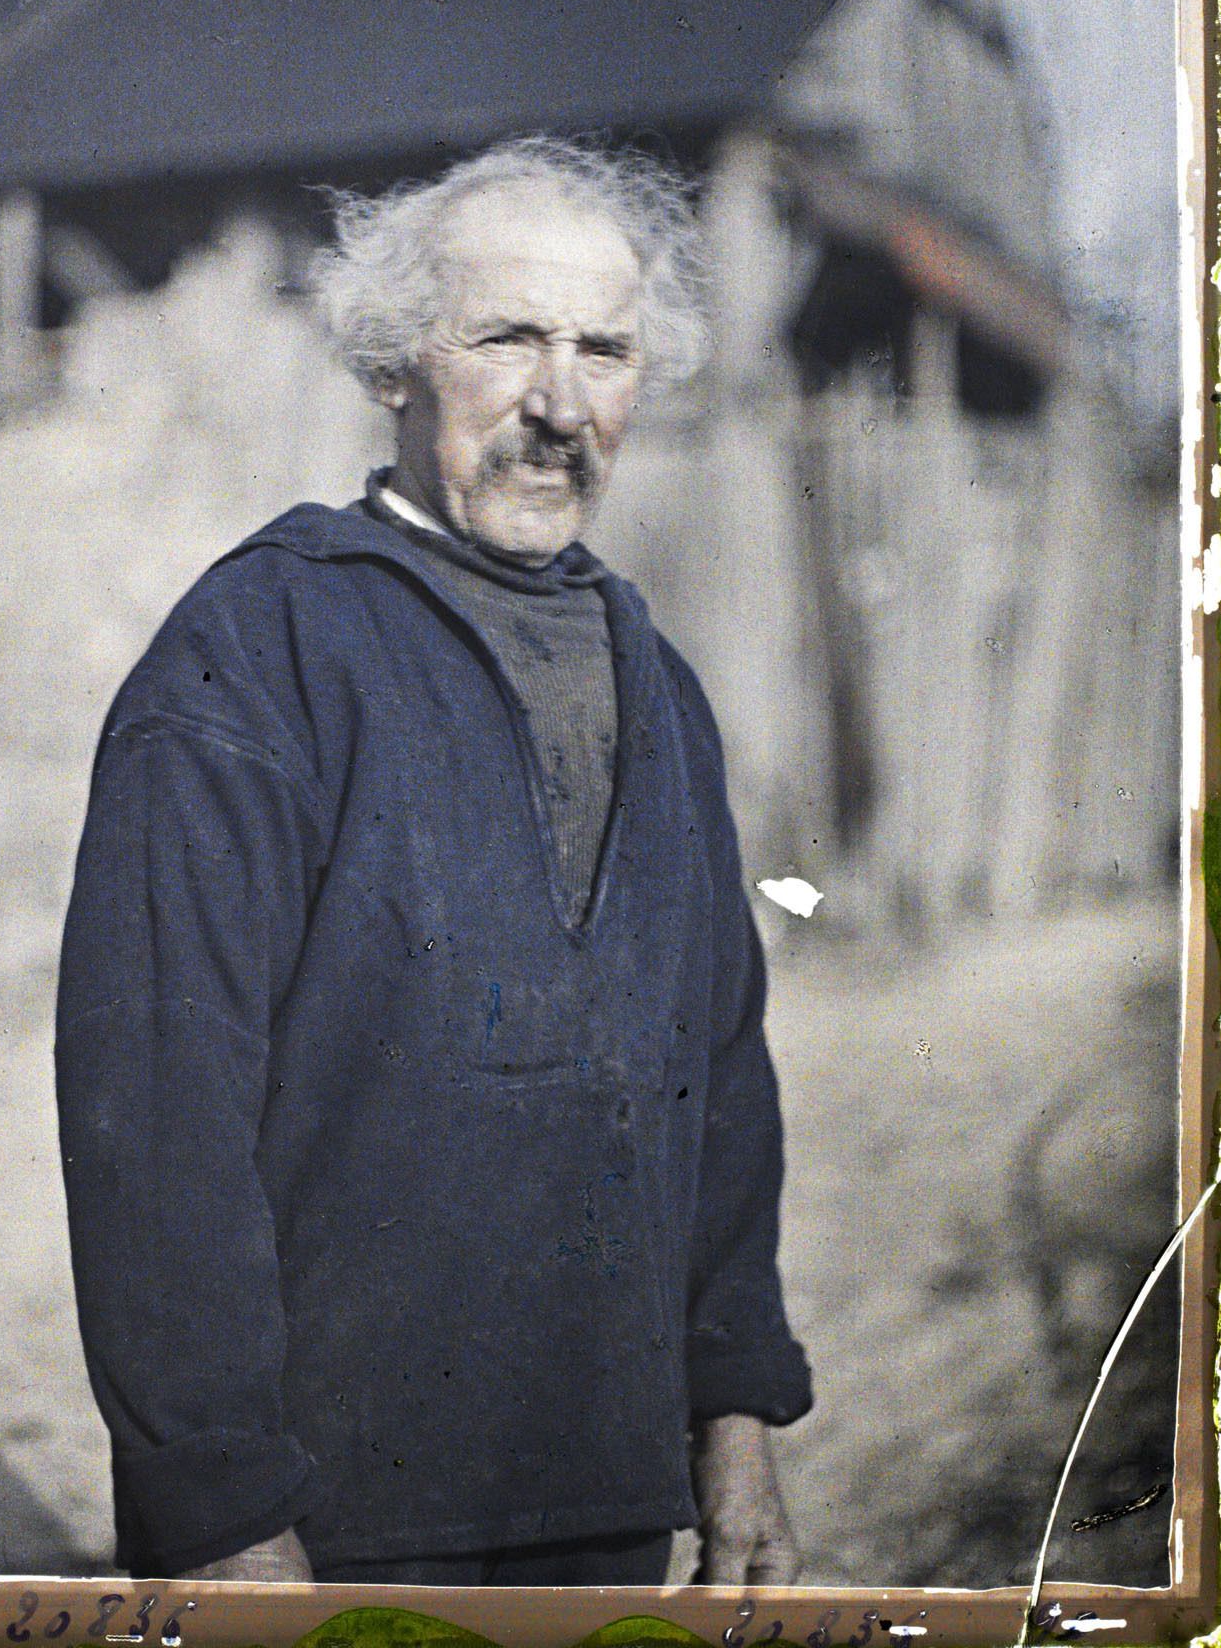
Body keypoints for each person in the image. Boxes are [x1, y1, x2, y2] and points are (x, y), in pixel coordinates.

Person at [55, 137, 812, 1591]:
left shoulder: (658, 684)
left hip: (601, 1499)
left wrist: (733, 1425)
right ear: (396, 363)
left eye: (604, 349)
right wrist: (216, 1514)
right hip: (332, 1524)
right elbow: (153, 1108)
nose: (558, 403)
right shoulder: (257, 651)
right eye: (507, 339)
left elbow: (719, 1085)